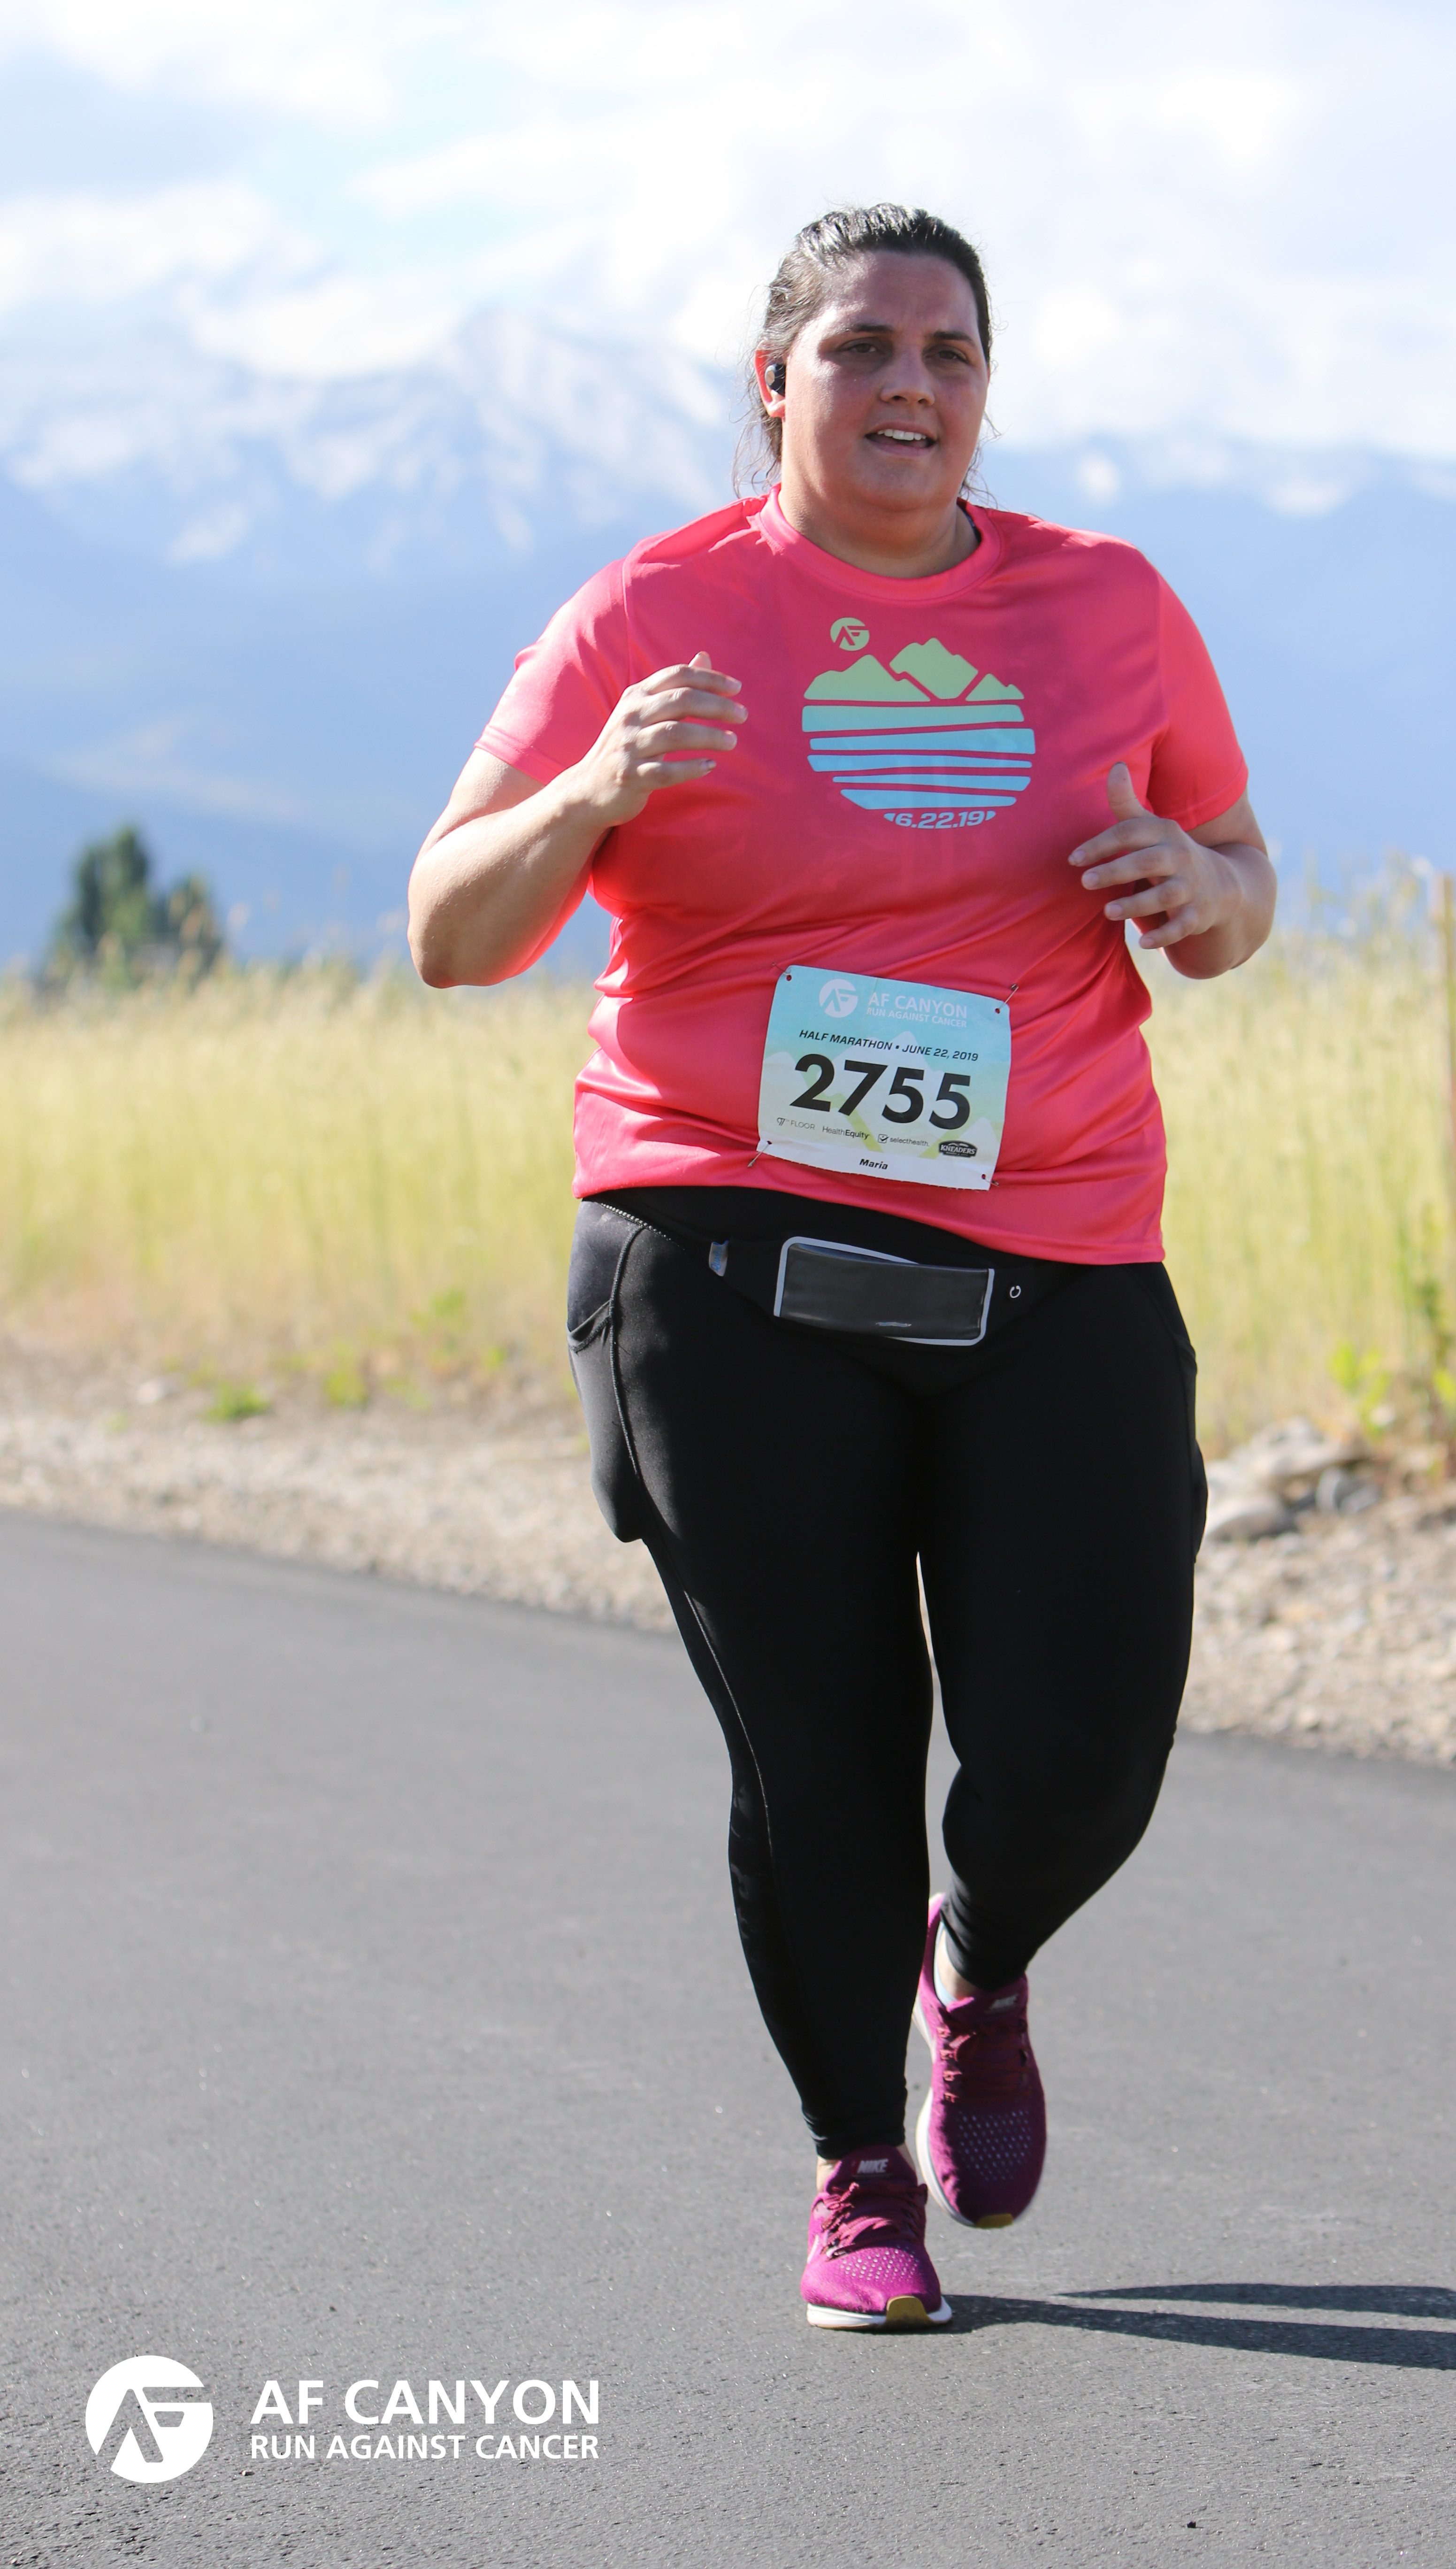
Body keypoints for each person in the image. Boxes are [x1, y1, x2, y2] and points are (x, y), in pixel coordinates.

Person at [408, 204, 1274, 2332]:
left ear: (988, 390)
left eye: (949, 353)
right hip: (724, 1242)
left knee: (1087, 1746)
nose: (909, 387)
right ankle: (856, 2166)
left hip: (1056, 1243)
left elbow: (1247, 882)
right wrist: (597, 787)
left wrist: (1199, 884)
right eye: (863, 348)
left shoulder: (1110, 606)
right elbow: (449, 928)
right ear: (774, 384)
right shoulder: (652, 611)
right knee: (822, 1749)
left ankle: (983, 1956)